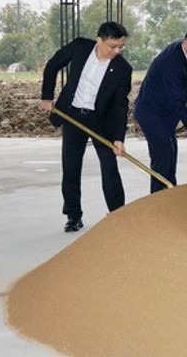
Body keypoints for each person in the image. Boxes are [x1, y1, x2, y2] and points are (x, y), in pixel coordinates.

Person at [40, 21, 132, 233]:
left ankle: (118, 214)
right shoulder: (80, 47)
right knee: (71, 167)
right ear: (99, 40)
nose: (117, 51)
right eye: (113, 46)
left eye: (121, 46)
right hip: (72, 115)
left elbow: (120, 105)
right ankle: (73, 216)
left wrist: (119, 138)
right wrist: (47, 96)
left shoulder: (122, 68)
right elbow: (53, 64)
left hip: (101, 122)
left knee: (109, 168)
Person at [134, 27, 187, 193]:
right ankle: (158, 199)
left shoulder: (185, 53)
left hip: (165, 113)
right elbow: (177, 100)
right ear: (186, 42)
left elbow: (179, 97)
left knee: (170, 153)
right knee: (162, 160)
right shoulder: (172, 63)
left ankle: (170, 193)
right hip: (152, 113)